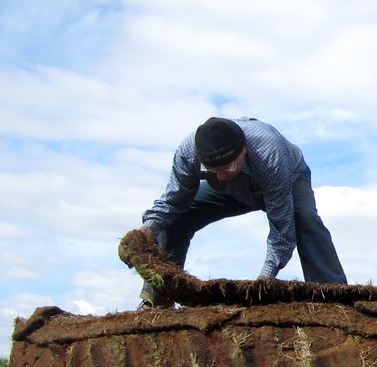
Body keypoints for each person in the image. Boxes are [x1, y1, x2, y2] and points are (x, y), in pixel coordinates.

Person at [136, 116, 347, 305]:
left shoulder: (269, 154)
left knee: (304, 219)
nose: (219, 176)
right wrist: (145, 232)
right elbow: (173, 201)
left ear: (243, 151)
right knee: (176, 218)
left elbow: (282, 226)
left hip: (285, 178)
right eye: (211, 171)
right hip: (228, 190)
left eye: (226, 168)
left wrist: (265, 280)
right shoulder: (188, 153)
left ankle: (332, 295)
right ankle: (158, 298)